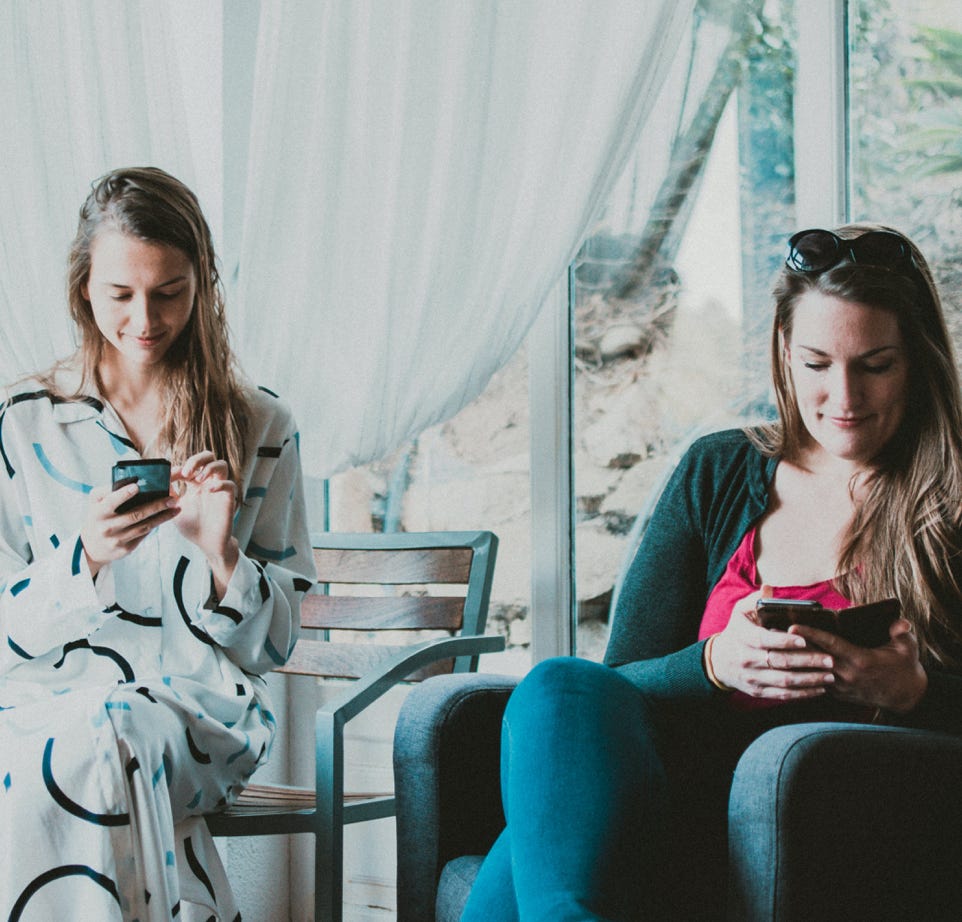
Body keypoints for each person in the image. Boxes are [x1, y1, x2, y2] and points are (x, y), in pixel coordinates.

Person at [460, 224, 962, 921]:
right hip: (666, 788)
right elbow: (619, 684)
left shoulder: (950, 502)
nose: (843, 396)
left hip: (829, 817)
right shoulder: (720, 469)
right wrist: (716, 664)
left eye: (875, 364)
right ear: (784, 353)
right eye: (817, 363)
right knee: (559, 685)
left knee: (531, 855)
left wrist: (913, 692)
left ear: (918, 359)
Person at [0, 167, 315, 920]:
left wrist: (220, 555)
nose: (145, 318)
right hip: (47, 700)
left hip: (202, 707)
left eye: (169, 291)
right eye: (120, 295)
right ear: (84, 291)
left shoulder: (260, 427)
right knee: (81, 749)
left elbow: (274, 646)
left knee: (107, 740)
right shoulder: (23, 425)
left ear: (202, 284)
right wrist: (86, 561)